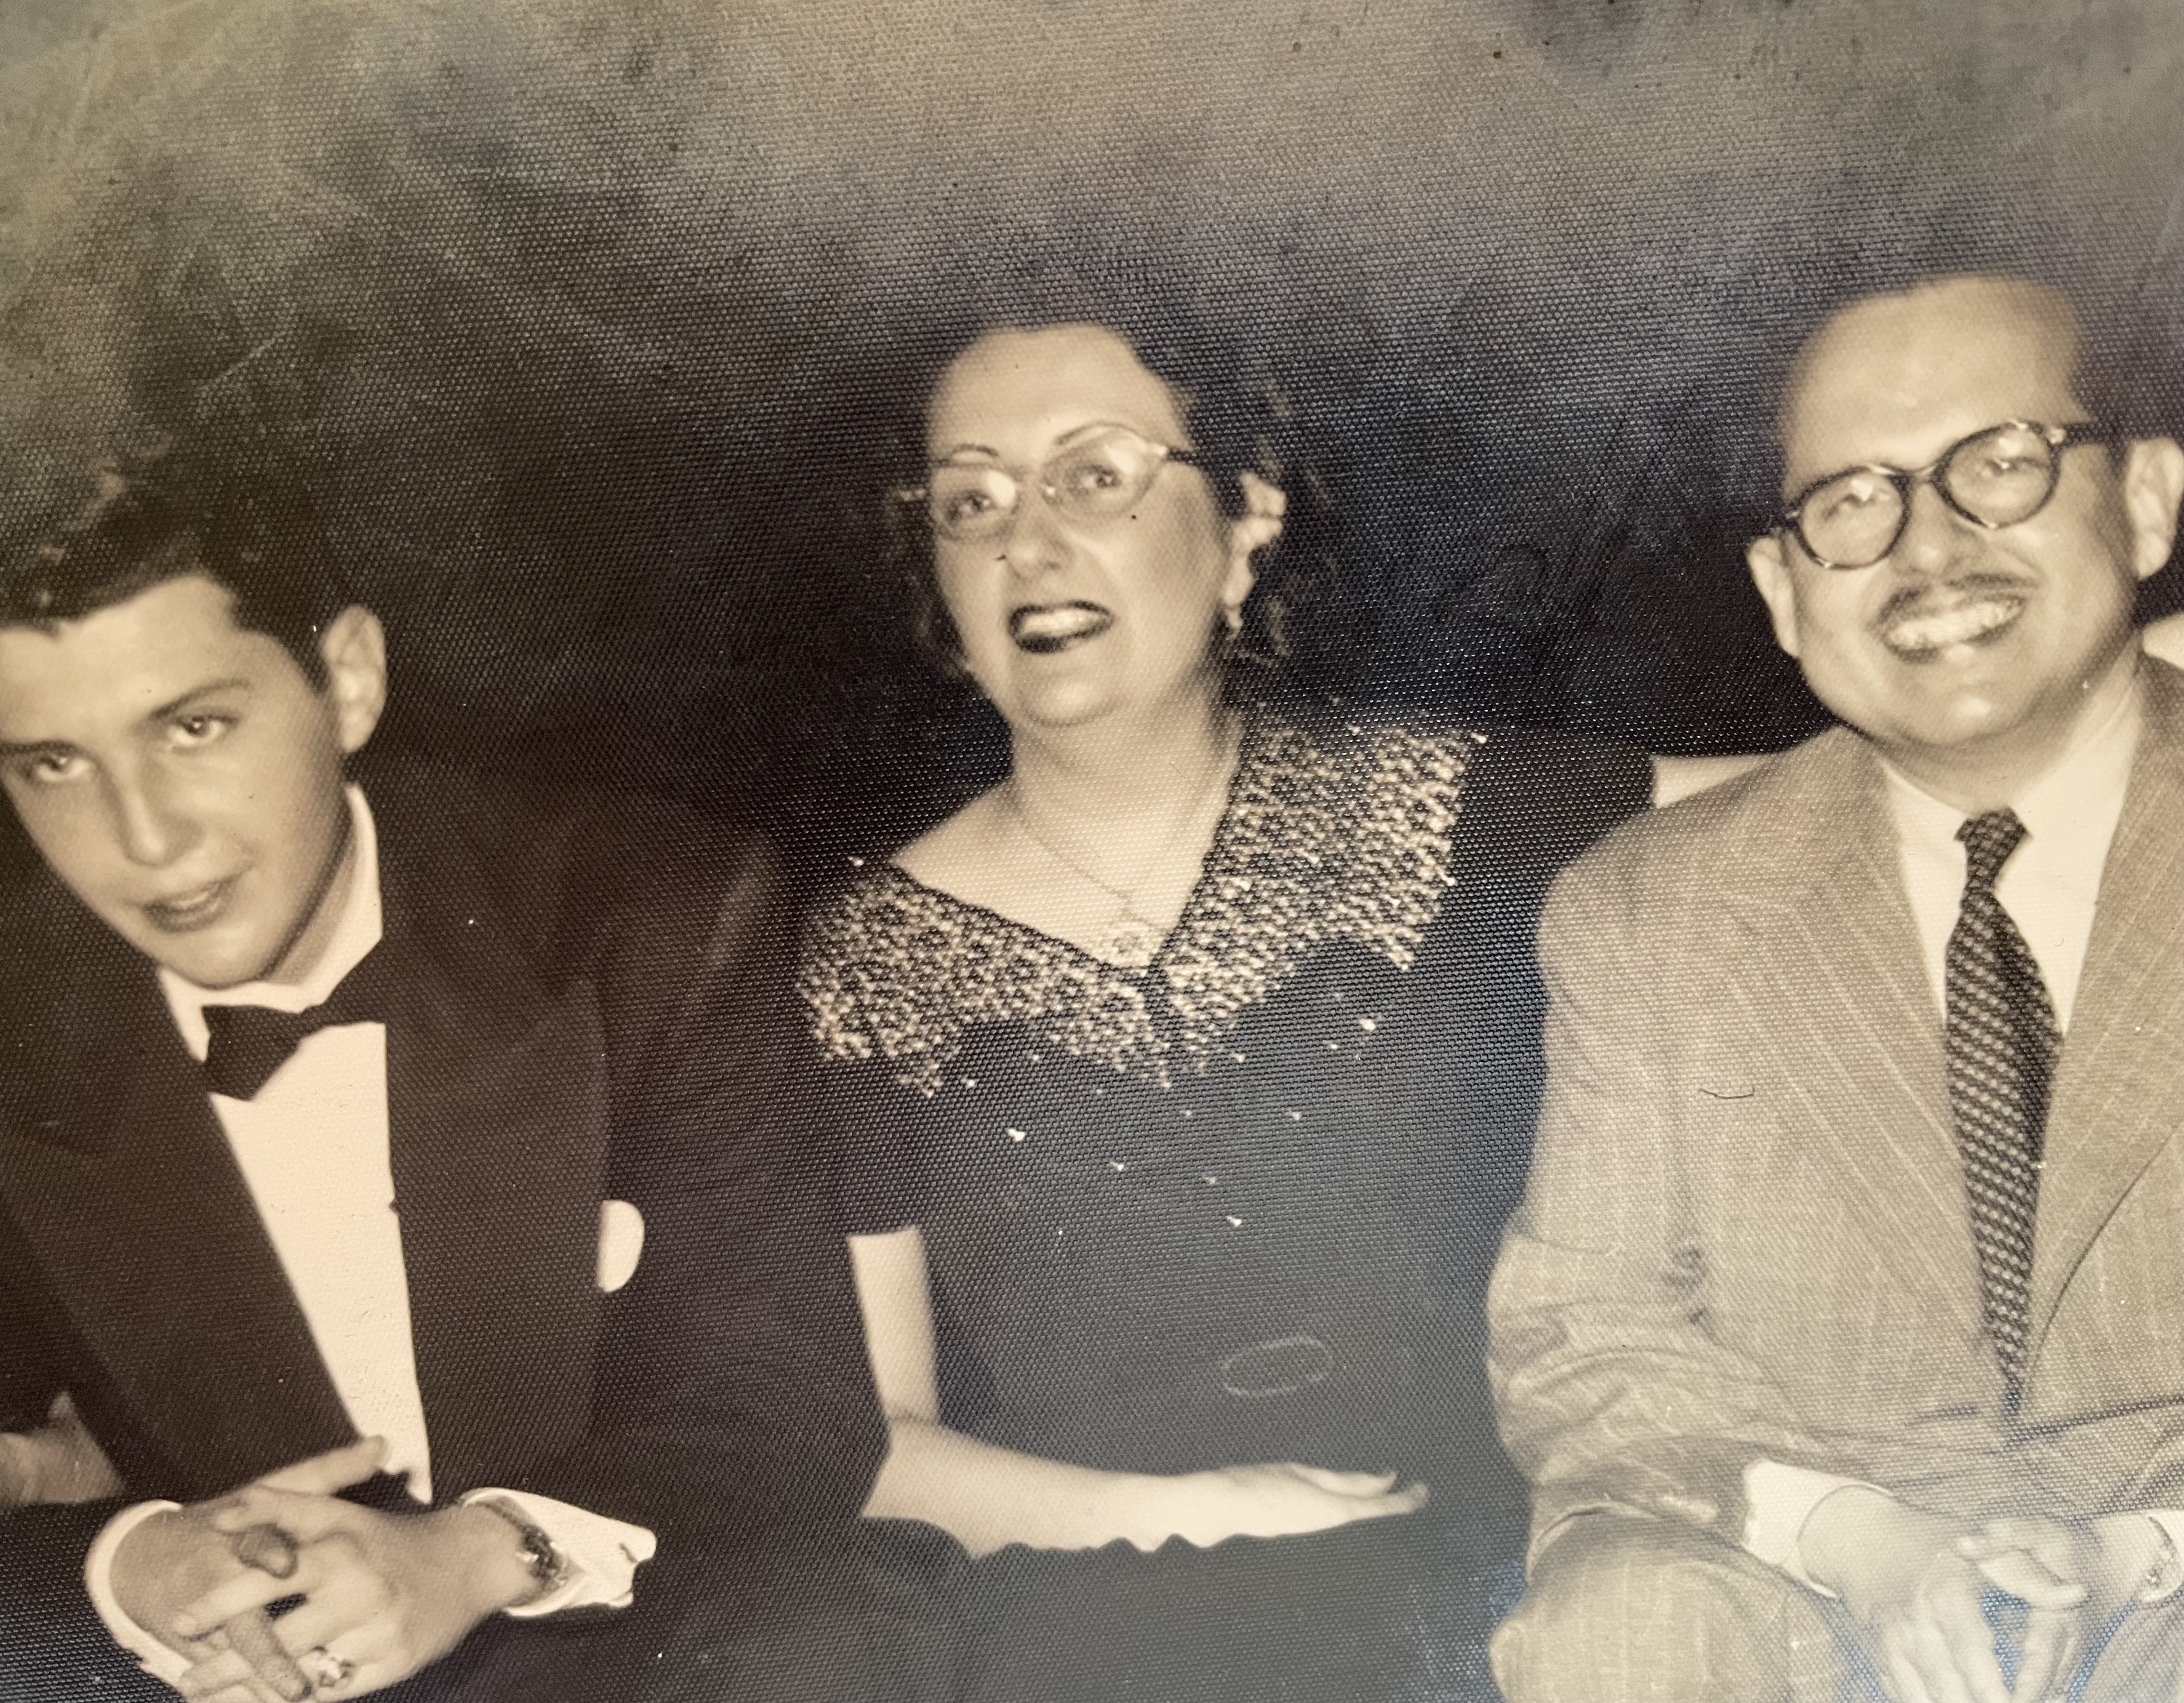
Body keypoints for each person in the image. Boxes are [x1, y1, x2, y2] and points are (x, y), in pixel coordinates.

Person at [798, 314, 1743, 1702]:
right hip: (1101, 1609)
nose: (1029, 544)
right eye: (973, 501)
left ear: (1247, 525)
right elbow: (871, 1442)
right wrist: (1194, 1516)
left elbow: (1850, 790)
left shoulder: (1441, 804)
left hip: (1515, 1578)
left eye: (1095, 477)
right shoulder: (865, 958)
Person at [0, 459, 924, 1702]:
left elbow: (783, 1409)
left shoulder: (652, 916)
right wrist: (133, 1565)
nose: (147, 839)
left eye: (195, 728)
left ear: (347, 681)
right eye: (55, 767)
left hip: (650, 1645)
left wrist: (478, 1554)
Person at [1487, 272, 2184, 1703]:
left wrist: (2138, 1555)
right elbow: (1585, 1339)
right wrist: (1869, 1547)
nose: (1928, 549)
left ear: (2146, 501)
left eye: (2001, 464)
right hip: (1812, 1588)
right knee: (1620, 1626)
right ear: (1784, 592)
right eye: (1852, 503)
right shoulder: (1649, 912)